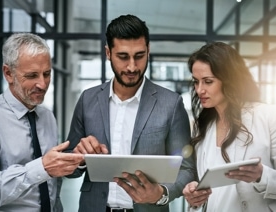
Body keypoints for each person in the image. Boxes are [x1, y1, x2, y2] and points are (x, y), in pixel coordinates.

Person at [65, 14, 195, 212]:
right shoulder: (87, 99)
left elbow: (186, 169)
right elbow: (69, 167)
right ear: (108, 53)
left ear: (148, 51)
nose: (132, 66)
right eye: (123, 57)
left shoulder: (171, 104)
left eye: (139, 56)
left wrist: (160, 193)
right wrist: (79, 158)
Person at [0, 33, 84, 211]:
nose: (43, 84)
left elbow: (52, 185)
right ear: (8, 73)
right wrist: (40, 168)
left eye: (47, 74)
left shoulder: (47, 116)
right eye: (32, 75)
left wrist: (78, 158)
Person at [182, 42, 276, 212]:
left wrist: (261, 176)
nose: (199, 90)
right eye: (196, 82)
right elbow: (208, 190)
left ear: (229, 79)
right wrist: (195, 196)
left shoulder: (272, 117)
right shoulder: (203, 128)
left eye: (208, 82)